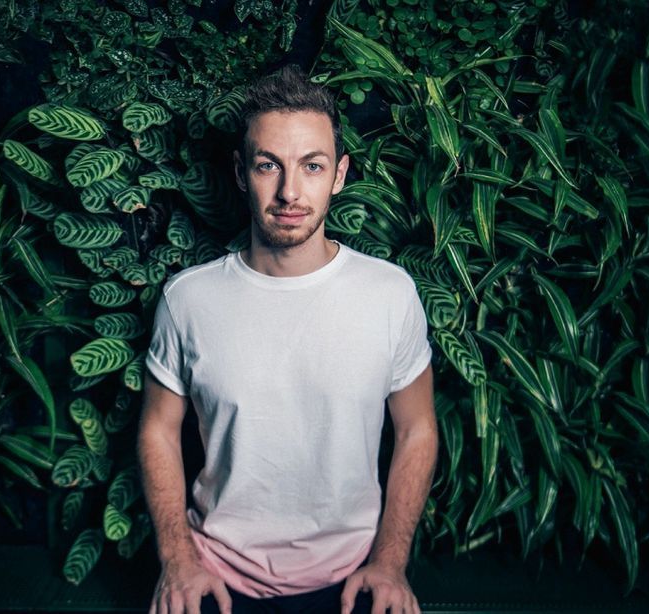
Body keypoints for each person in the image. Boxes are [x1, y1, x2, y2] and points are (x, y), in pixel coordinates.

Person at [138, 65, 437, 614]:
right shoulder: (188, 300)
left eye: (312, 166)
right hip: (215, 574)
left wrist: (391, 562)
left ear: (339, 174)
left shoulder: (390, 294)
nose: (289, 192)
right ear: (240, 172)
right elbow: (158, 428)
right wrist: (177, 559)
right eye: (268, 165)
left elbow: (416, 428)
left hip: (353, 576)